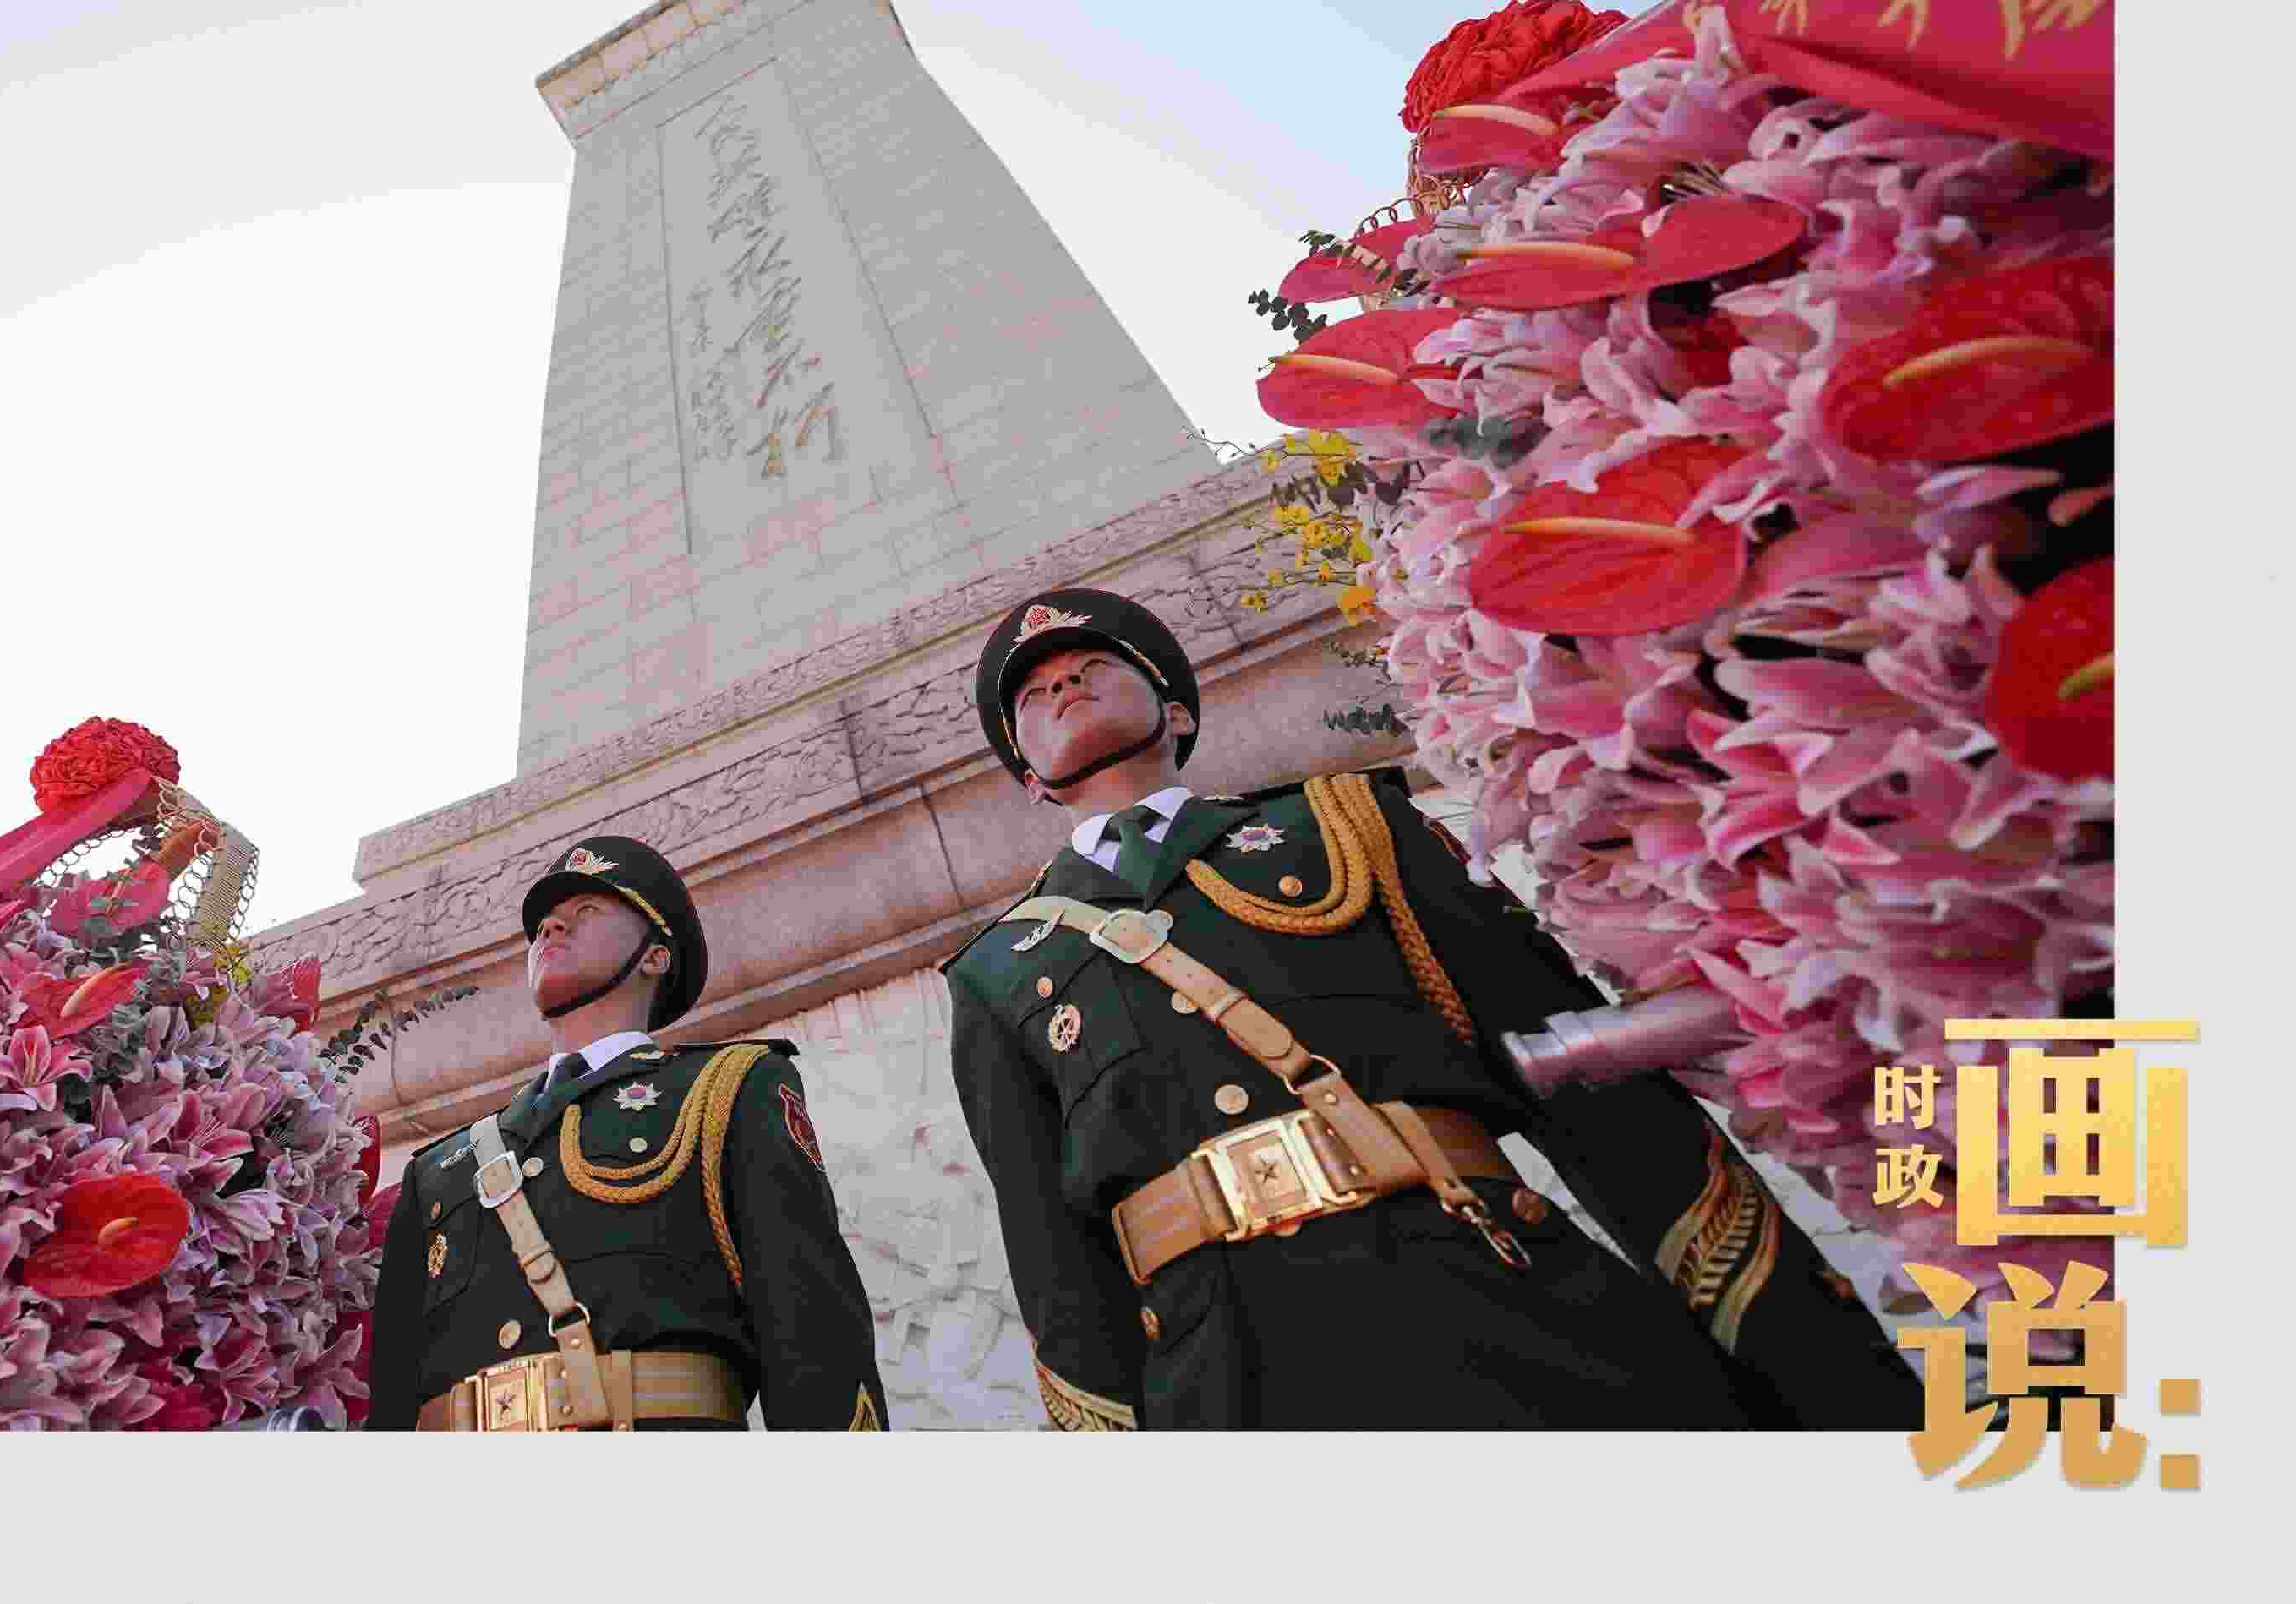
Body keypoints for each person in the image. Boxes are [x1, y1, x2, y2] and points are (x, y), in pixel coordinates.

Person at [942, 586, 1922, 1429]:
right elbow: (1062, 1283)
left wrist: (1823, 1378)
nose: (1062, 685)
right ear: (1029, 778)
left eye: (1093, 667)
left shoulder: (1350, 826)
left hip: (1491, 1298)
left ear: (1175, 711)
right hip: (1231, 1381)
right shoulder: (998, 972)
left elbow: (1604, 1111)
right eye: (1034, 694)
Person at [366, 835, 888, 1431]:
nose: (551, 928)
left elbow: (815, 1341)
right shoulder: (439, 1170)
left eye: (586, 911)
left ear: (655, 956)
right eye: (544, 923)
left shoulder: (730, 1089)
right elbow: (391, 1411)